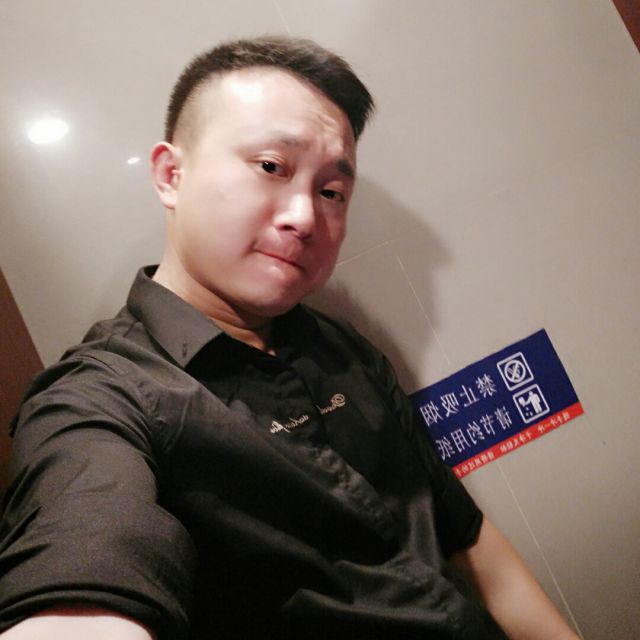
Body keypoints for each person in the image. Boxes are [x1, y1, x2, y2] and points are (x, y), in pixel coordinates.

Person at [0, 36, 578, 640]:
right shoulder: (100, 401)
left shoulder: (339, 346)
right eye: (271, 167)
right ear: (171, 175)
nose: (304, 217)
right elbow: (84, 568)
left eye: (331, 192)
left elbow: (469, 540)